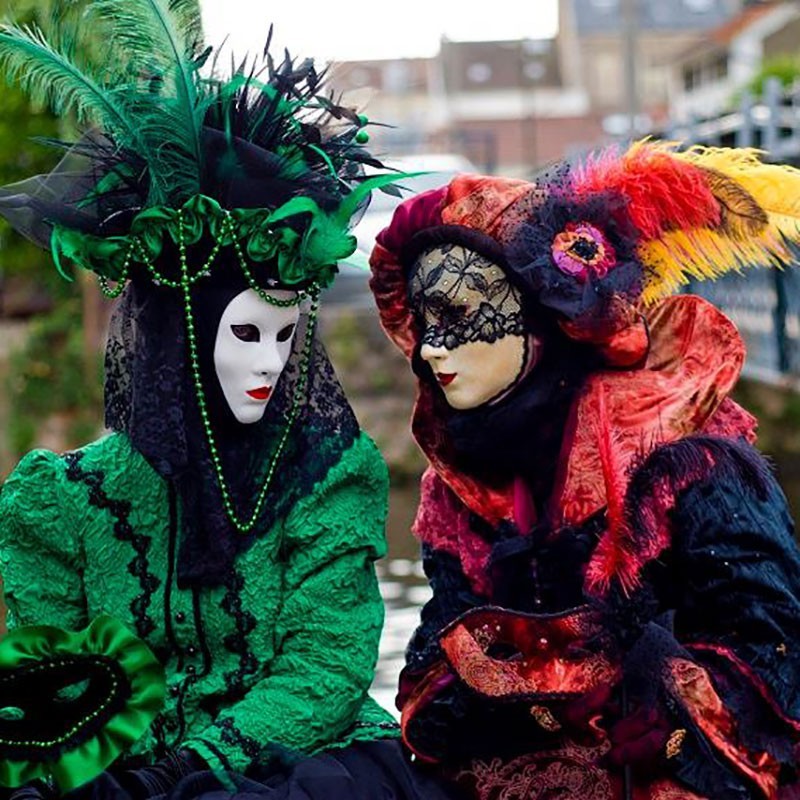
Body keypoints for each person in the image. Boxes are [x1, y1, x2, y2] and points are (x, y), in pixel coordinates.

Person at [0, 3, 427, 797]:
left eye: (283, 336)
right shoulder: (59, 502)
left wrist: (187, 769)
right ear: (179, 341)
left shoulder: (326, 483)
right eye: (244, 334)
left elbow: (325, 667)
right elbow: (49, 685)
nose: (269, 361)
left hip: (293, 766)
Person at [368, 142, 800, 799]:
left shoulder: (686, 460)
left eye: (458, 317)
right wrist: (487, 691)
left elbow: (773, 651)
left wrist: (662, 709)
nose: (431, 348)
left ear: (542, 319)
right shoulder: (458, 486)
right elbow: (433, 652)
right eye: (425, 323)